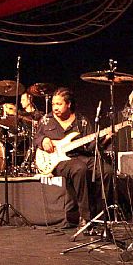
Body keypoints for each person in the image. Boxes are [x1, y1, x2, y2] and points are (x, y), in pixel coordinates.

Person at [33, 88, 107, 230]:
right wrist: (43, 140)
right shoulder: (46, 120)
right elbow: (36, 138)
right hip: (58, 160)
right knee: (79, 169)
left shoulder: (82, 121)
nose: (55, 107)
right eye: (54, 104)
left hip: (82, 156)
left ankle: (101, 215)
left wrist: (105, 139)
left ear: (69, 104)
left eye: (59, 104)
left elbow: (91, 146)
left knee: (106, 171)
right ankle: (85, 217)